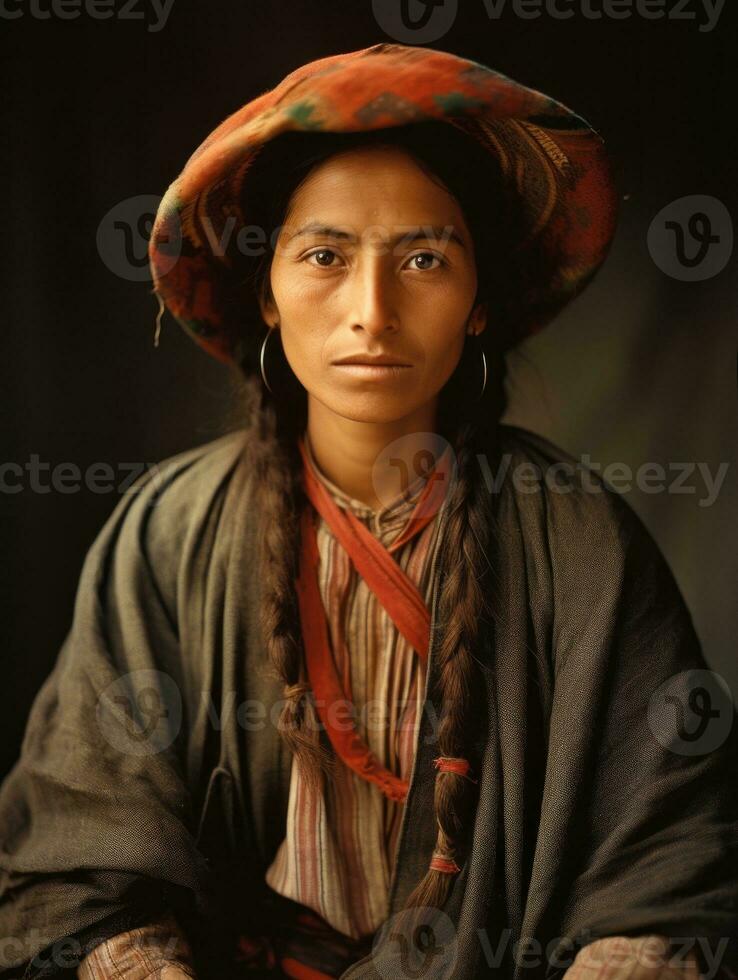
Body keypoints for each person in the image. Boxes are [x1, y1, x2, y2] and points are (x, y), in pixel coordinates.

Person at [0, 42, 736, 980]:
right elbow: (76, 864)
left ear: (477, 302)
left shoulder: (581, 544)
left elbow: (672, 866)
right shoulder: (166, 535)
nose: (372, 311)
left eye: (424, 257)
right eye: (324, 256)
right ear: (266, 293)